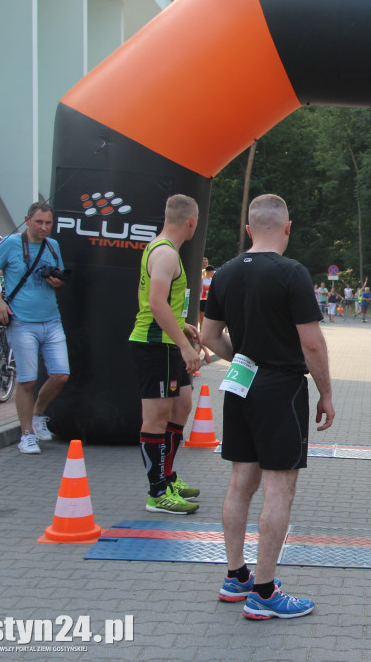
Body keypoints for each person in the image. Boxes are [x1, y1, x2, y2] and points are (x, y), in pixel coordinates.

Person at [200, 194, 333, 620]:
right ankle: (264, 592)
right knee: (279, 487)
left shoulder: (224, 273)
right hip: (281, 386)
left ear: (248, 229)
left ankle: (236, 575)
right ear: (287, 228)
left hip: (241, 383)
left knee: (242, 481)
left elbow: (207, 335)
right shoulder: (292, 273)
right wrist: (326, 392)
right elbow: (311, 342)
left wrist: (240, 356)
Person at [129, 194, 203, 513]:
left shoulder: (162, 249)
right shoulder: (165, 254)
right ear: (192, 222)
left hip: (167, 341)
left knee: (182, 406)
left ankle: (168, 477)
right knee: (156, 418)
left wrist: (183, 324)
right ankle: (157, 492)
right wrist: (185, 346)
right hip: (155, 345)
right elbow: (156, 303)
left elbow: (149, 297)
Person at [0, 201, 70, 455]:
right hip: (21, 322)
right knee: (27, 380)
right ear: (27, 220)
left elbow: (60, 279)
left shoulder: (53, 246)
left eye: (48, 223)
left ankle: (38, 414)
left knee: (61, 375)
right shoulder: (10, 243)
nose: (44, 228)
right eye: (39, 222)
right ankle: (26, 434)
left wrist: (57, 282)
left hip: (51, 319)